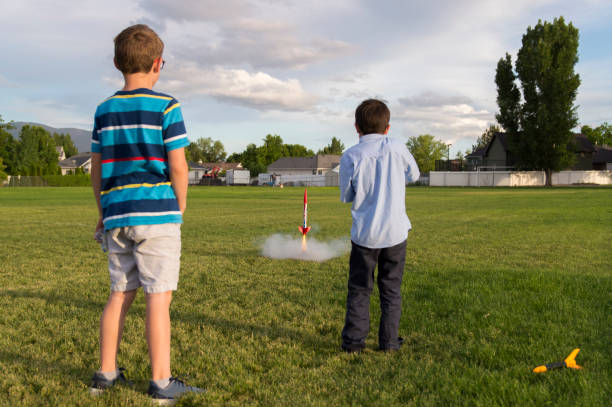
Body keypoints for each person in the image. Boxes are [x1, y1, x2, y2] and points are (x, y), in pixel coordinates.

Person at [89, 24, 204, 403]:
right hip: (157, 215)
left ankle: (105, 373)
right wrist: (179, 207)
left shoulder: (104, 110)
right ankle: (160, 381)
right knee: (158, 297)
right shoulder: (167, 106)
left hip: (117, 214)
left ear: (116, 63)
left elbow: (96, 167)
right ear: (159, 64)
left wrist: (103, 211)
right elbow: (179, 167)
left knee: (119, 293)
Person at [339, 99, 420, 353]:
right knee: (391, 290)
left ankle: (354, 343)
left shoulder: (351, 155)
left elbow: (347, 196)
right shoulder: (397, 147)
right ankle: (389, 343)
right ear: (388, 128)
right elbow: (414, 175)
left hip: (365, 235)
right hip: (395, 233)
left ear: (356, 127)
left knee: (360, 290)